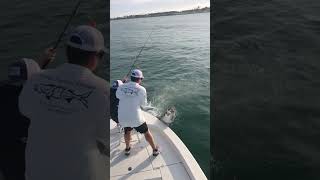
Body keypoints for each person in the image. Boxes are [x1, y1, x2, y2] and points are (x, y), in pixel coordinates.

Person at [19, 25, 109, 180]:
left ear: (67, 51)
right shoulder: (104, 91)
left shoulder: (35, 78)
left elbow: (24, 109)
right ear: (96, 57)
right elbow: (106, 137)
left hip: (36, 172)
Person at [0, 49, 56, 180]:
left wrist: (40, 64)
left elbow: (24, 83)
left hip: (6, 164)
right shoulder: (37, 105)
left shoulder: (4, 91)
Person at [116, 69, 159, 156]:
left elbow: (118, 96)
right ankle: (155, 150)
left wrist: (123, 84)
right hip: (136, 118)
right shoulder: (142, 89)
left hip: (123, 117)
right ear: (140, 79)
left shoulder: (120, 87)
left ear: (131, 78)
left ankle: (127, 149)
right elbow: (143, 104)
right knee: (146, 132)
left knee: (127, 131)